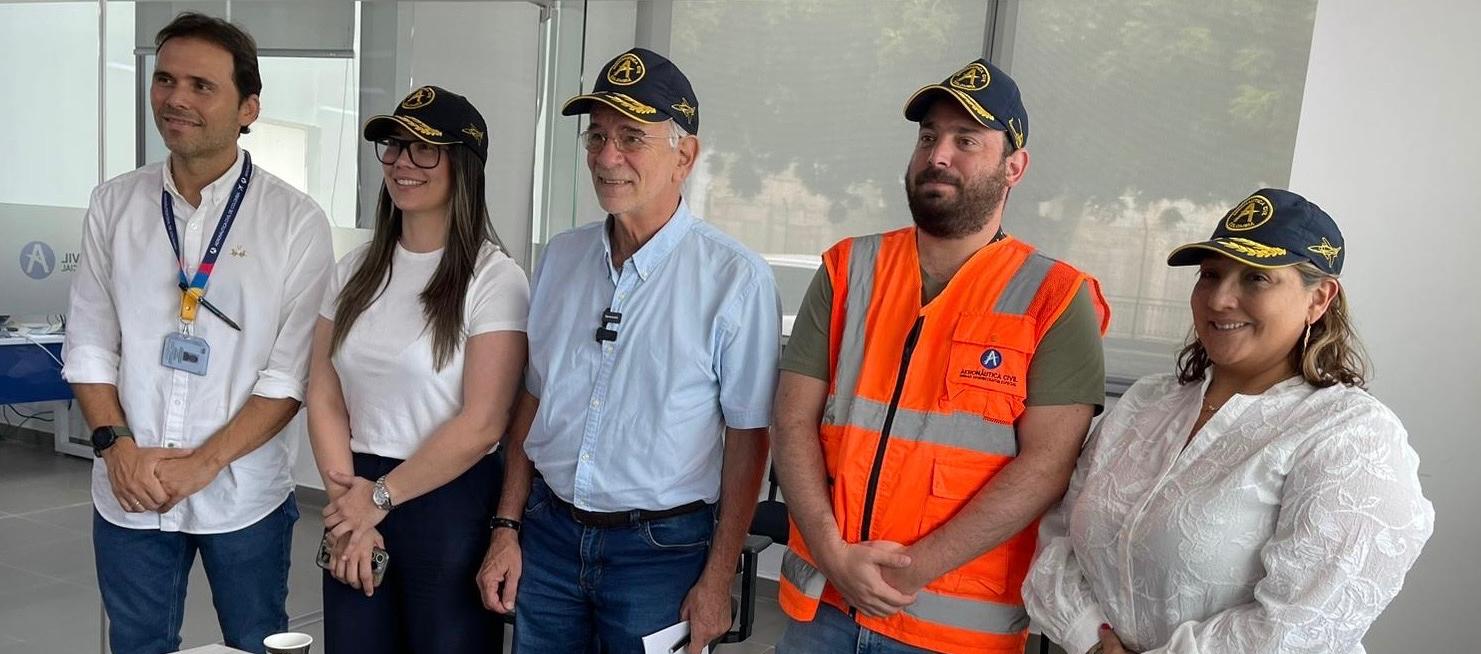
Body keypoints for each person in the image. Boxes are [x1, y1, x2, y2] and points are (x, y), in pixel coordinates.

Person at [771, 58, 1111, 654]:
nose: (939, 155)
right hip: (822, 606)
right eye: (928, 137)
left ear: (1015, 167)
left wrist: (905, 572)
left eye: (966, 140)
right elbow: (794, 418)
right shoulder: (848, 270)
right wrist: (832, 553)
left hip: (951, 631)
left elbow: (1046, 469)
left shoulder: (1056, 298)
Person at [1023, 189, 1434, 654]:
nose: (1219, 299)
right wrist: (1092, 641)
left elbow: (1297, 629)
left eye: (1256, 279)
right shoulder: (1146, 404)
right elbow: (1057, 540)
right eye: (1210, 275)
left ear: (1318, 299)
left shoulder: (1351, 437)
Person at [474, 48, 781, 654]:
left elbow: (749, 439)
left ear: (684, 155)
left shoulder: (734, 279)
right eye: (597, 137)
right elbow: (534, 401)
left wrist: (718, 579)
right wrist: (506, 527)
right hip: (550, 535)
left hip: (660, 554)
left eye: (632, 137)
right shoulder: (562, 257)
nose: (607, 158)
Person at [61, 12, 334, 654]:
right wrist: (117, 449)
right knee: (137, 643)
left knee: (257, 641)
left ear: (249, 108)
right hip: (129, 484)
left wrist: (203, 465)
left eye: (201, 86)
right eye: (164, 79)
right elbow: (91, 345)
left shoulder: (295, 223)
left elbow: (290, 374)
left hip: (243, 495)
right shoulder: (114, 205)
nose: (176, 98)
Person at [307, 86, 529, 654]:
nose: (403, 162)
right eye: (394, 146)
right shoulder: (355, 268)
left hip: (447, 498)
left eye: (425, 149)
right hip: (355, 487)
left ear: (464, 165)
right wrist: (348, 508)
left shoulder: (494, 279)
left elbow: (483, 423)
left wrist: (376, 500)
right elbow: (324, 390)